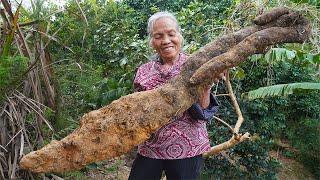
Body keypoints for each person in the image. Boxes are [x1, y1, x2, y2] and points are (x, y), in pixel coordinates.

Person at [129, 11, 219, 180]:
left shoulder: (197, 65)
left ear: (179, 35)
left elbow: (204, 111)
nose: (166, 41)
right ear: (152, 41)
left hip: (188, 147)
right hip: (151, 147)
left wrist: (205, 88)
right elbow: (137, 110)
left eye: (171, 34)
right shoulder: (143, 71)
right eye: (158, 36)